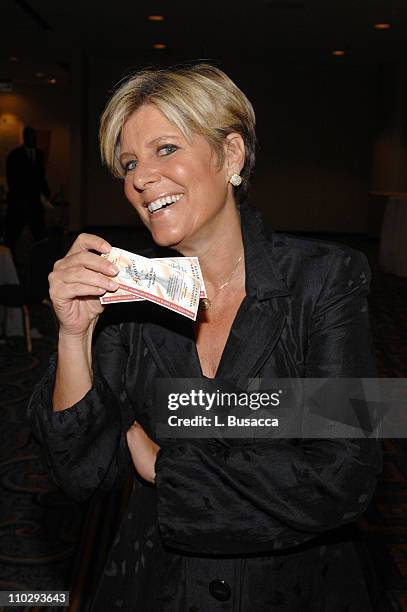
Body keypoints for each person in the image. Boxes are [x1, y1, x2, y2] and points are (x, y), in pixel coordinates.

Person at [28, 64, 382, 611]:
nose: (141, 177)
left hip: (299, 586)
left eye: (165, 148)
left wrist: (163, 462)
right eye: (128, 163)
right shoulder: (129, 294)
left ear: (231, 156)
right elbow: (82, 474)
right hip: (158, 583)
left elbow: (345, 476)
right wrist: (74, 335)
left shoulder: (327, 277)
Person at [5, 126, 51, 253]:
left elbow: (40, 176)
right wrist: (19, 199)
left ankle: (40, 263)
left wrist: (46, 192)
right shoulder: (15, 155)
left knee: (39, 235)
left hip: (35, 203)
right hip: (18, 203)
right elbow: (12, 179)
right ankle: (9, 266)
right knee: (12, 235)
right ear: (24, 137)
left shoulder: (39, 154)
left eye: (33, 135)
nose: (32, 138)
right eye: (29, 135)